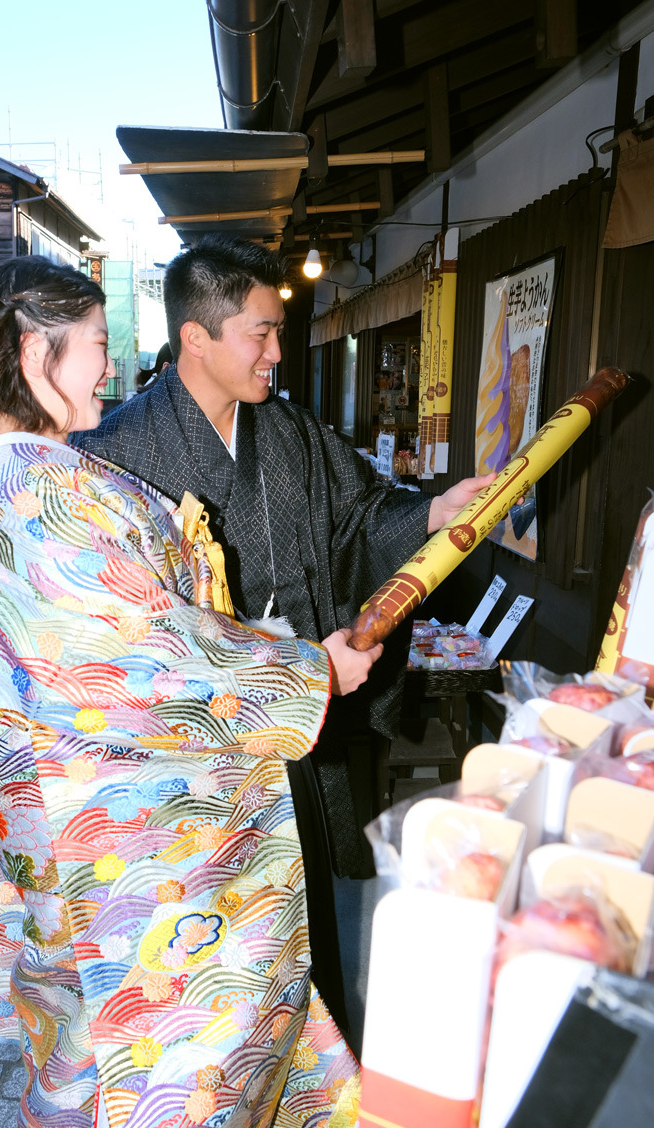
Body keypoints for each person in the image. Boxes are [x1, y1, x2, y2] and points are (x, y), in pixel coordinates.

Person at [0, 256, 367, 1128]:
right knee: (157, 1084)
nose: (108, 367)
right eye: (96, 348)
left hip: (73, 839)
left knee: (89, 1070)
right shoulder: (40, 500)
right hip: (134, 862)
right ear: (37, 359)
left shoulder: (17, 492)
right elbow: (140, 659)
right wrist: (310, 670)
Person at [70, 235, 493, 1028]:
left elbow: (363, 514)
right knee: (216, 961)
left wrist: (436, 511)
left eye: (278, 329)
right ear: (196, 337)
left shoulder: (290, 431)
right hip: (202, 756)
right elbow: (120, 640)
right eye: (259, 332)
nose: (276, 350)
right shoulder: (112, 455)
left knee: (307, 928)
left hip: (298, 721)